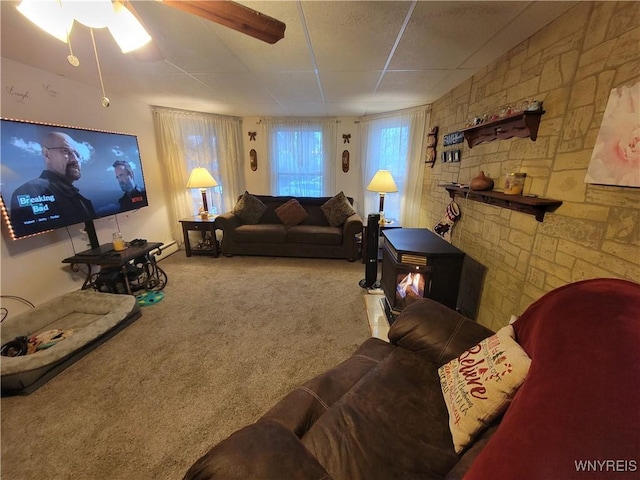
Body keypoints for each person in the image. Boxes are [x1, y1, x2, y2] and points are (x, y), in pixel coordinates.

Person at [10, 131, 95, 237]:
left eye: (77, 154)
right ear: (46, 154)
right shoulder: (30, 191)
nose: (75, 159)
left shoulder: (77, 197)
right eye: (66, 151)